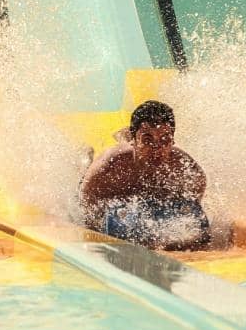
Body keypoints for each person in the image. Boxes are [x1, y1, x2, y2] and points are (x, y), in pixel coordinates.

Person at [78, 99, 207, 240]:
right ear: (134, 140)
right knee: (82, 175)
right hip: (104, 184)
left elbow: (191, 213)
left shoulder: (187, 171)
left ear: (173, 141)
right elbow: (85, 208)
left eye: (165, 140)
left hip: (141, 202)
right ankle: (86, 157)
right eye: (147, 140)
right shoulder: (110, 166)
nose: (157, 148)